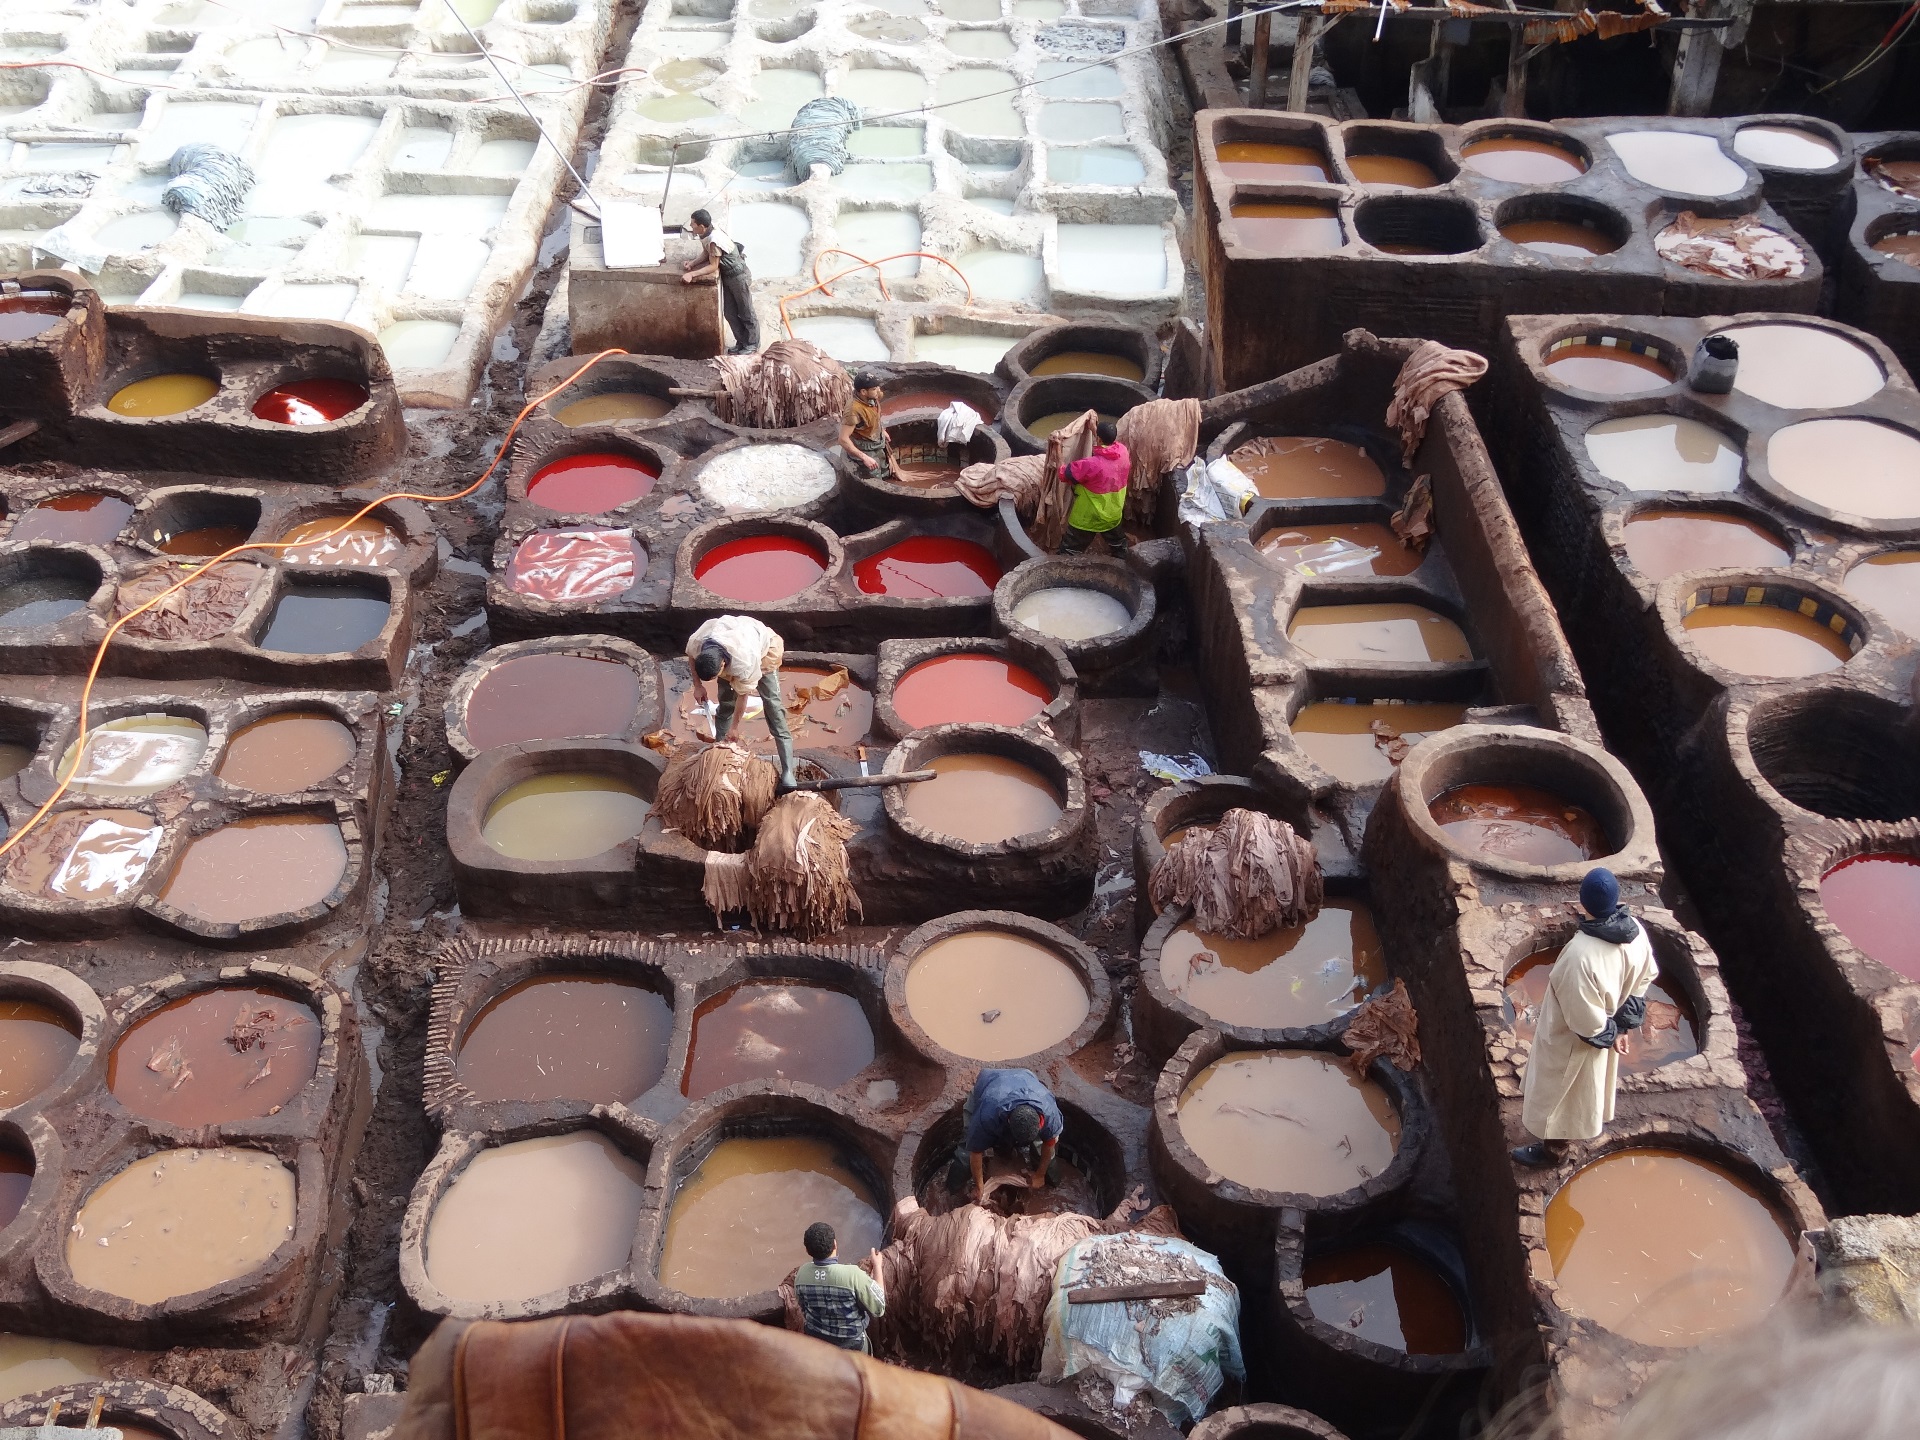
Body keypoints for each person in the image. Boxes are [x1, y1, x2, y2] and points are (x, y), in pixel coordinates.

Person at [1511, 867, 1657, 1167]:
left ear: (1582, 902)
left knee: (1560, 1097)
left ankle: (1554, 1153)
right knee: (1582, 1094)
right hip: (1605, 1027)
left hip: (1573, 1042)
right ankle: (1559, 1144)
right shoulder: (1635, 932)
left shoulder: (1580, 955)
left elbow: (1584, 1022)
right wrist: (1622, 1027)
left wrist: (1609, 1032)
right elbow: (1644, 979)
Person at [685, 613, 797, 793]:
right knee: (726, 703)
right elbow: (691, 656)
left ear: (722, 665)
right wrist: (698, 686)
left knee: (773, 708)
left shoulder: (744, 662)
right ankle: (720, 752)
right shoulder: (698, 642)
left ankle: (788, 770)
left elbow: (743, 695)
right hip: (733, 640)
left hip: (763, 650)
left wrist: (735, 728)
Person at [950, 1067, 1063, 1199]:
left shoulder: (1050, 1114)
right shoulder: (987, 1114)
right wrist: (979, 1188)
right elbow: (975, 1152)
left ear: (1040, 1123)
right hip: (990, 1088)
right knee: (965, 1155)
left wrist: (1040, 1175)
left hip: (1025, 1079)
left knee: (1042, 1152)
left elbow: (1049, 1144)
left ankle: (1056, 1185)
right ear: (1009, 1121)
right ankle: (951, 1190)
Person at [792, 1221, 886, 1353]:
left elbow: (803, 1307)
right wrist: (877, 1266)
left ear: (807, 1250)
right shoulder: (853, 1275)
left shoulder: (801, 1274)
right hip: (852, 1345)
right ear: (835, 1244)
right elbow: (879, 1307)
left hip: (817, 1342)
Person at [680, 208, 759, 356]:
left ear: (702, 226)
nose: (691, 226)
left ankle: (752, 345)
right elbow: (707, 252)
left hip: (738, 276)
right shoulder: (707, 233)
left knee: (746, 312)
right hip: (728, 276)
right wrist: (693, 263)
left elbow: (713, 265)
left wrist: (692, 274)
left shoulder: (714, 239)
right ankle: (742, 342)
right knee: (730, 313)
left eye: (693, 224)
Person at [1057, 420, 1130, 555]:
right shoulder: (1123, 452)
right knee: (1119, 544)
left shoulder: (1091, 465)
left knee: (1069, 551)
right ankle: (1123, 560)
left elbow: (1063, 474)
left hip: (1088, 518)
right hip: (1113, 513)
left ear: (1099, 439)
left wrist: (1058, 453)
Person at [838, 371, 890, 481]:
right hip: (864, 447)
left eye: (877, 387)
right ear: (863, 392)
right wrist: (864, 457)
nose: (878, 391)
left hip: (876, 441)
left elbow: (875, 414)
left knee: (885, 468)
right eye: (874, 389)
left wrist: (881, 430)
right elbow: (843, 439)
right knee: (874, 475)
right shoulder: (853, 410)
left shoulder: (873, 396)